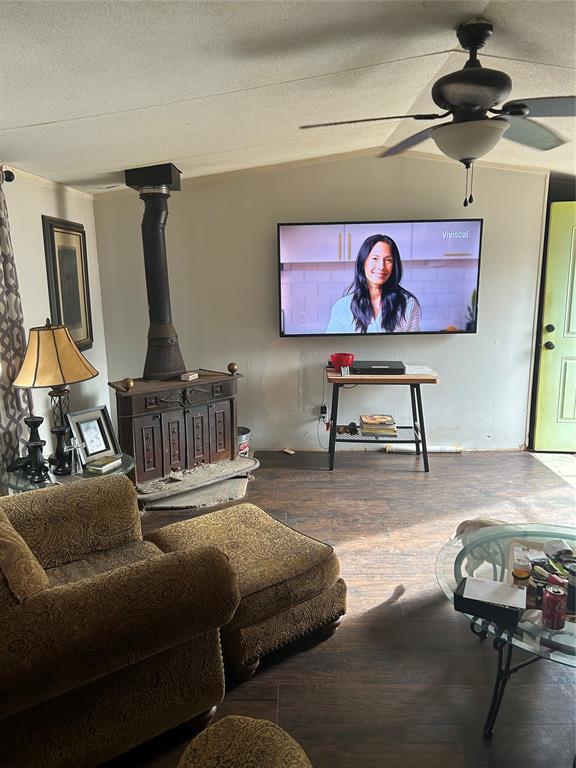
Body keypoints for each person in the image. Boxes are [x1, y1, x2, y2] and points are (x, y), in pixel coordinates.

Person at [326, 234, 421, 333]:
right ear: (363, 262)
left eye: (388, 260)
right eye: (375, 258)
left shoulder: (409, 304)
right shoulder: (342, 306)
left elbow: (414, 346)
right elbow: (332, 346)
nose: (381, 266)